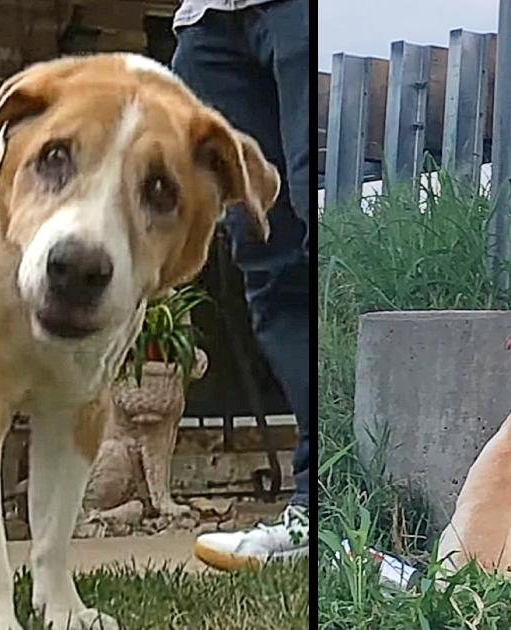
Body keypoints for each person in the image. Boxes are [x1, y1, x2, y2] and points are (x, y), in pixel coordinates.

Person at [171, 0, 310, 570]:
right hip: (206, 24)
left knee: (312, 224)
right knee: (267, 262)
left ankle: (333, 499)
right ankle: (312, 508)